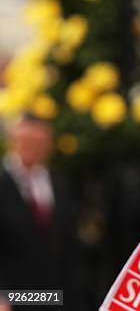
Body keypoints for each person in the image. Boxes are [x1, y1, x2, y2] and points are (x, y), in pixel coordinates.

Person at [0, 115, 82, 310]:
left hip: (58, 296)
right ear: (12, 141)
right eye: (26, 142)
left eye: (39, 143)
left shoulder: (59, 182)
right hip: (13, 297)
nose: (33, 149)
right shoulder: (3, 184)